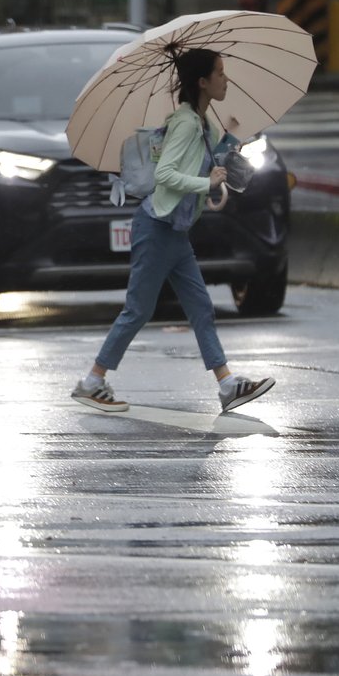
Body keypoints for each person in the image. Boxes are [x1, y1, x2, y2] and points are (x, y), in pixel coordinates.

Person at [71, 47, 275, 414]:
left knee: (200, 307)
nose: (225, 80)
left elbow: (210, 158)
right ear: (201, 82)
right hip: (157, 227)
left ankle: (227, 385)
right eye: (220, 73)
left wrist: (229, 142)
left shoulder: (202, 123)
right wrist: (204, 182)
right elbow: (165, 175)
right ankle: (92, 381)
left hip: (174, 231)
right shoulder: (184, 123)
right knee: (138, 310)